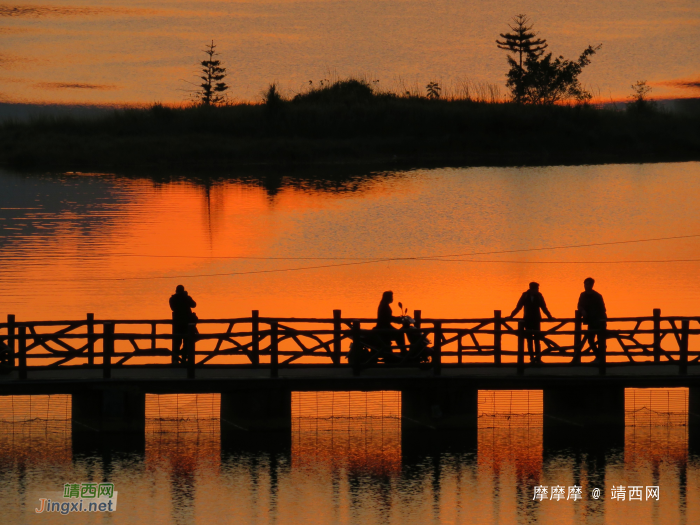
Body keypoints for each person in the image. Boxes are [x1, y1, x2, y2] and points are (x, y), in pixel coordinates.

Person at [509, 282, 554, 363]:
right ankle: (531, 357)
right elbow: (518, 306)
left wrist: (549, 316)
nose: (537, 290)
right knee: (529, 340)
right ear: (532, 289)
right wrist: (511, 316)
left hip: (536, 320)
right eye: (536, 289)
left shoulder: (539, 296)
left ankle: (538, 358)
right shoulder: (525, 295)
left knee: (537, 340)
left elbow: (544, 307)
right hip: (527, 320)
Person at [577, 277, 607, 363]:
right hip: (591, 321)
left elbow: (603, 309)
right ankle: (599, 357)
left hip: (599, 321)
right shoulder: (582, 295)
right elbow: (579, 305)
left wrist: (602, 320)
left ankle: (600, 359)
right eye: (584, 284)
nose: (585, 286)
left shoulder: (597, 296)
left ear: (591, 285)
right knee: (590, 340)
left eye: (587, 284)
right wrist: (582, 311)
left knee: (601, 341)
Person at [169, 284, 197, 364]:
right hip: (186, 323)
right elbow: (194, 305)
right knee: (186, 341)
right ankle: (184, 358)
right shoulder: (186, 298)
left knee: (177, 342)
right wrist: (186, 296)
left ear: (176, 290)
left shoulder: (172, 298)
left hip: (177, 323)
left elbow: (173, 308)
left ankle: (175, 359)